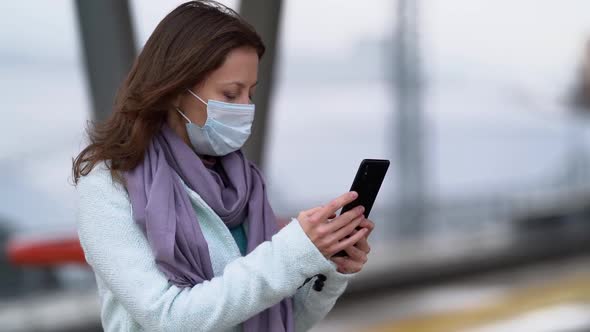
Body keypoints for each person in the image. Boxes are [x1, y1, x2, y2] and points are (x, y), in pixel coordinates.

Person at [72, 1, 374, 331]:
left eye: (250, 94)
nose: (245, 108)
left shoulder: (243, 183)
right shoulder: (108, 184)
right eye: (231, 95)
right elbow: (167, 318)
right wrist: (292, 251)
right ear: (174, 89)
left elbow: (279, 319)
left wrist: (326, 266)